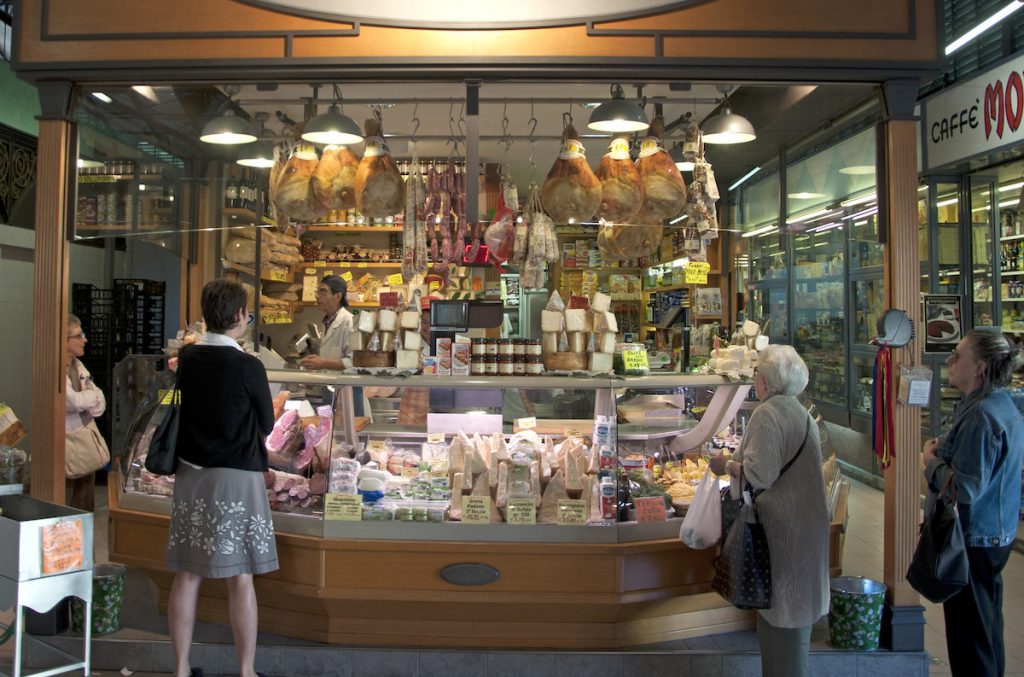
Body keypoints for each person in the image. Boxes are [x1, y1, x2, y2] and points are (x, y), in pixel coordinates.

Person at [167, 279, 278, 677]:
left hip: (191, 473)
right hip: (237, 477)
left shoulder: (189, 358)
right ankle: (245, 671)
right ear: (237, 316)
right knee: (240, 576)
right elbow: (267, 423)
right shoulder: (249, 365)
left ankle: (180, 668)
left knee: (188, 573)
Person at [708, 345, 829, 677]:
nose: (754, 378)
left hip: (782, 531)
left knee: (784, 623)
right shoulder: (800, 412)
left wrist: (726, 465)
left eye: (757, 372)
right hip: (807, 527)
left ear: (768, 380)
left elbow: (760, 474)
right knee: (788, 619)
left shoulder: (767, 413)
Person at [921, 329, 1024, 677]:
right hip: (995, 533)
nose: (950, 361)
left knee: (969, 640)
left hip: (974, 538)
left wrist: (930, 461)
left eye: (957, 355)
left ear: (979, 367)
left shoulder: (982, 416)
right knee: (986, 630)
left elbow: (964, 488)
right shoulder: (995, 403)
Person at [64, 313, 108, 511]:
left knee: (84, 500)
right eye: (79, 335)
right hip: (66, 445)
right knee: (66, 501)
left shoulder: (78, 365)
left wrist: (88, 399)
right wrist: (89, 398)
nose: (85, 339)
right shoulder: (56, 368)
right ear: (63, 340)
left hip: (84, 442)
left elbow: (100, 405)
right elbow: (70, 401)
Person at [299, 274, 353, 371]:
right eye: (318, 291)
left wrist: (324, 363)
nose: (317, 296)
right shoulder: (327, 322)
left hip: (343, 384)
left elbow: (354, 362)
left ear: (338, 296)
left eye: (323, 292)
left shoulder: (349, 322)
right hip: (329, 383)